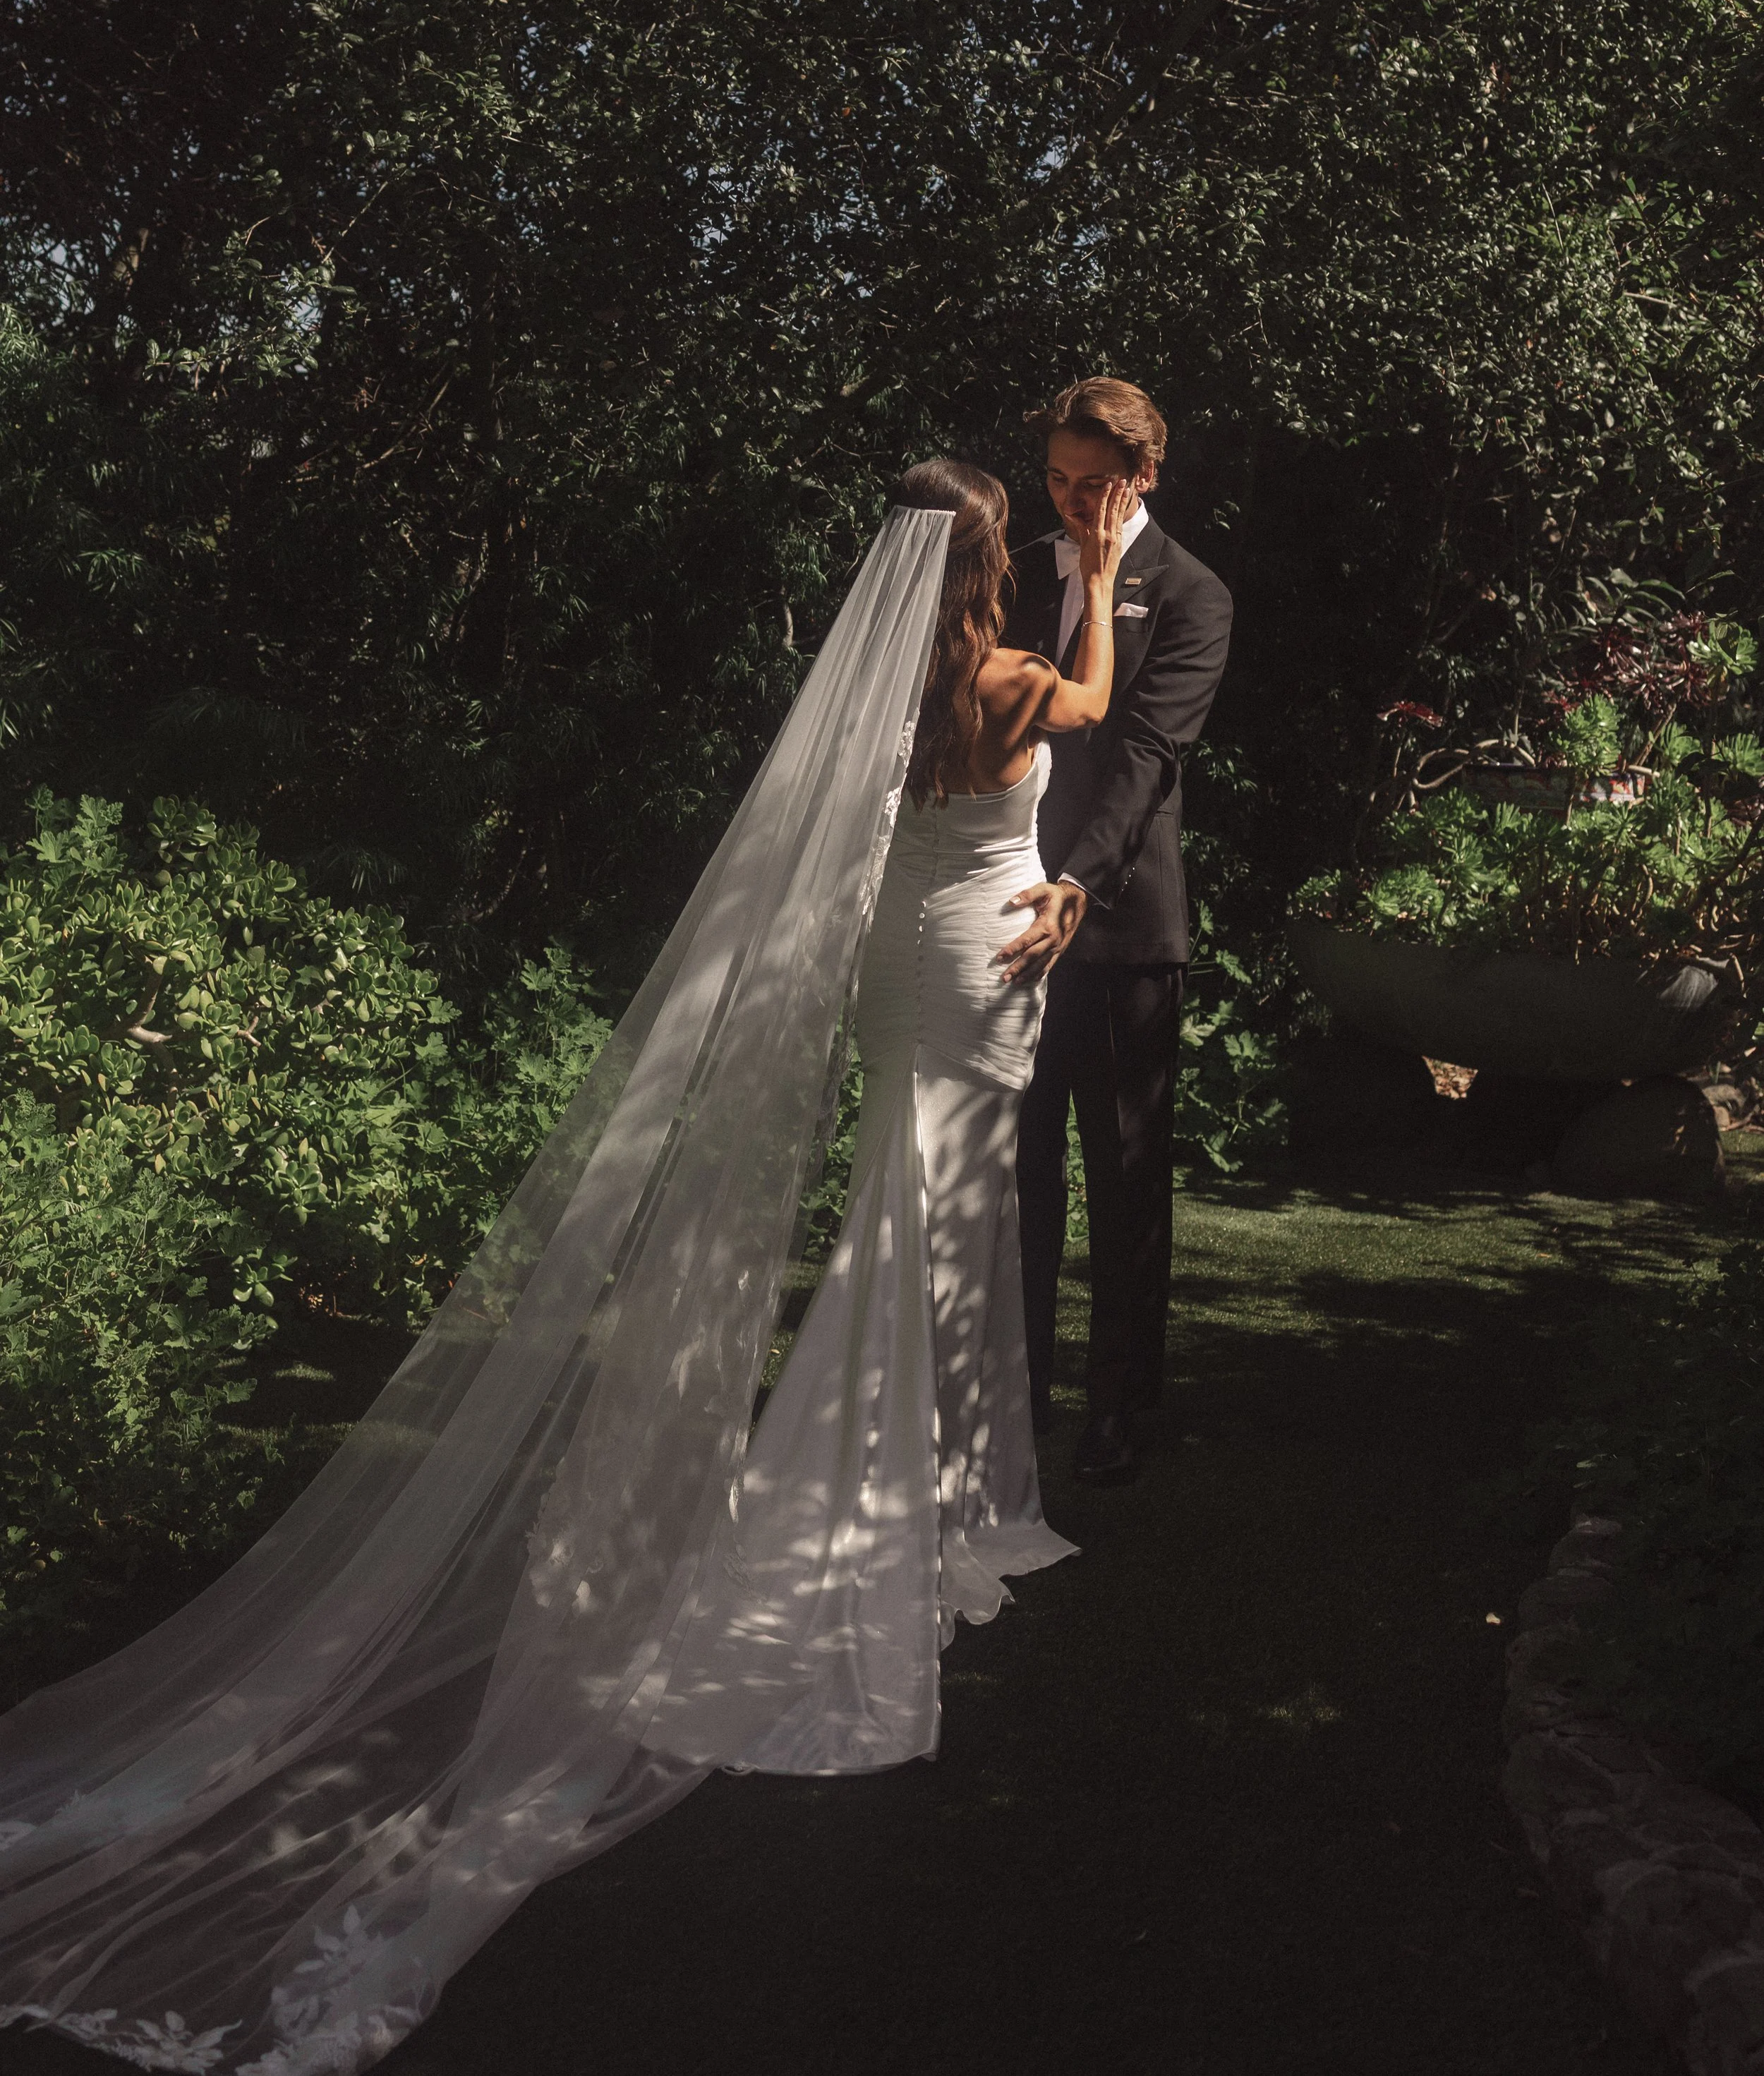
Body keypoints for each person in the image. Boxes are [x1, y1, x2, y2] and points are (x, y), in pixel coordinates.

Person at [0, 461, 1131, 2075]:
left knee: (906, 1214)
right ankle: (881, 1508)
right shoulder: (1015, 676)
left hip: (906, 961)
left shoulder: (891, 689)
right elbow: (1091, 700)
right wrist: (1098, 564)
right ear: (985, 560)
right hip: (977, 964)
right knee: (935, 1222)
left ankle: (936, 1489)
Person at [997, 378, 1233, 1485]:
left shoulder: (1193, 593)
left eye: (1094, 483)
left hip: (1119, 920)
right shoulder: (1014, 573)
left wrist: (1075, 882)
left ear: (1144, 476)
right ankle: (1017, 1388)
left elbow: (1146, 758)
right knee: (1020, 1168)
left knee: (1125, 1171)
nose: (1072, 500)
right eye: (1056, 478)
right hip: (1007, 909)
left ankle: (1121, 1408)